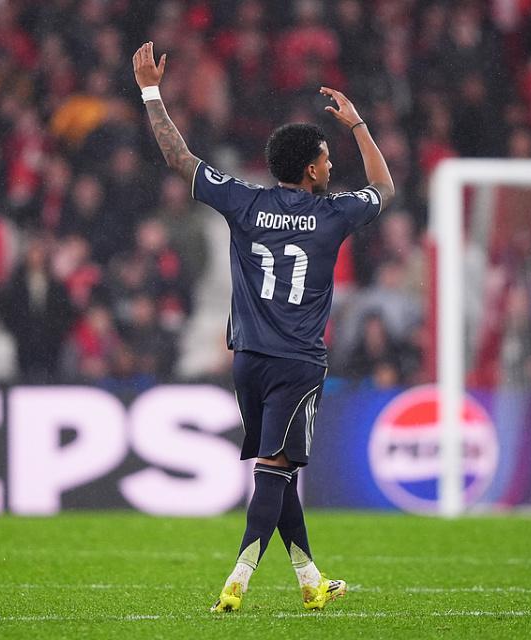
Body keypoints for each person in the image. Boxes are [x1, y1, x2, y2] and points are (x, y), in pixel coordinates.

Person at [132, 42, 395, 611]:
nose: (331, 167)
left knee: (278, 470)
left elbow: (179, 158)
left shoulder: (245, 203)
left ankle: (310, 580)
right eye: (326, 159)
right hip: (298, 363)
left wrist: (151, 91)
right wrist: (357, 125)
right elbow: (385, 188)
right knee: (275, 471)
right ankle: (239, 577)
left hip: (248, 358)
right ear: (311, 168)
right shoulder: (334, 213)